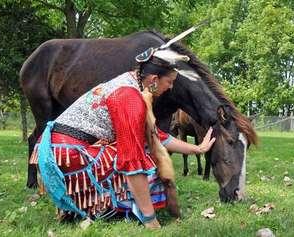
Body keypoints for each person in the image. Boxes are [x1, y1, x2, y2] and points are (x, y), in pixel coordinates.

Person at [30, 47, 216, 229]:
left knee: (142, 149)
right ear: (153, 79)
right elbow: (132, 161)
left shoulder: (131, 81)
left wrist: (197, 149)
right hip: (66, 156)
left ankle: (85, 207)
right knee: (146, 159)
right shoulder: (129, 97)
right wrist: (150, 219)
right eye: (169, 81)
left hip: (56, 152)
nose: (171, 87)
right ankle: (114, 210)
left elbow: (154, 135)